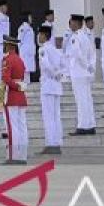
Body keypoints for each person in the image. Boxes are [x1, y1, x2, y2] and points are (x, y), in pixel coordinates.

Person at [65, 14, 96, 135]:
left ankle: (83, 125)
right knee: (87, 98)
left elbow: (78, 55)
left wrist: (85, 66)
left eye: (72, 22)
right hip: (86, 73)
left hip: (78, 72)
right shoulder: (85, 36)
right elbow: (92, 53)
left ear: (77, 23)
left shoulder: (75, 37)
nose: (70, 24)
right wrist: (90, 67)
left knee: (81, 99)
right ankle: (90, 124)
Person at [0, 35, 29, 164]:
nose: (4, 48)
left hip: (11, 95)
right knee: (22, 126)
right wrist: (19, 85)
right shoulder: (20, 59)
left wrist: (15, 86)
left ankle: (13, 156)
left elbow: (6, 79)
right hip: (21, 96)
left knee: (12, 127)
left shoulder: (7, 59)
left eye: (5, 45)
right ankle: (22, 155)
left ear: (8, 45)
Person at [37, 25, 64, 154]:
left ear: (44, 35)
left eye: (40, 34)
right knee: (56, 116)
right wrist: (59, 74)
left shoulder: (43, 49)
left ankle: (51, 143)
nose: (38, 37)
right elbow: (64, 65)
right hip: (57, 85)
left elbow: (46, 64)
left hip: (48, 85)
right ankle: (57, 142)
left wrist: (54, 73)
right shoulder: (55, 49)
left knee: (48, 116)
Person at [16, 11, 37, 81]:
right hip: (25, 52)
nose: (31, 19)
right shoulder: (23, 27)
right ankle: (24, 84)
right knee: (24, 69)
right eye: (30, 17)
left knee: (28, 70)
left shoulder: (30, 28)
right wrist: (21, 50)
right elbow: (19, 40)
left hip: (29, 51)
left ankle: (27, 83)